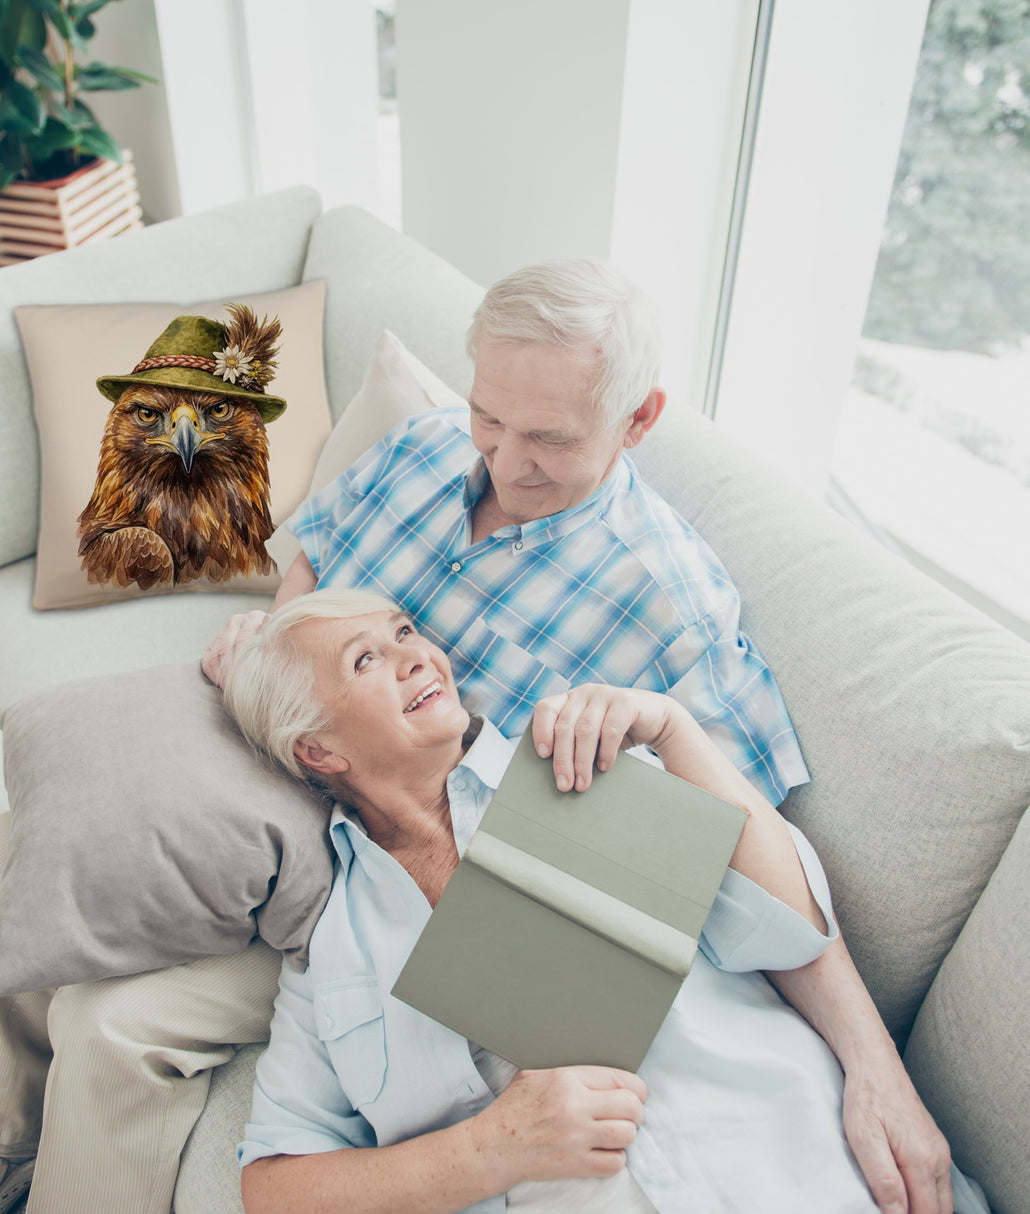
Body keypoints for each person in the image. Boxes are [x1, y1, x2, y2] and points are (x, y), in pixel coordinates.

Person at [204, 259, 952, 1213]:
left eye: (549, 438)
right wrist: (273, 660)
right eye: (489, 417)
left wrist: (876, 1068)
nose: (505, 461)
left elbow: (758, 883)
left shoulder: (650, 654)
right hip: (311, 839)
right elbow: (315, 562)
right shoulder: (421, 450)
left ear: (638, 420)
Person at [222, 588, 972, 1214]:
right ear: (318, 750)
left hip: (799, 1166)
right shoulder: (332, 950)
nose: (416, 656)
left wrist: (673, 728)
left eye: (406, 632)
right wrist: (490, 1149)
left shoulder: (579, 764)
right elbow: (273, 1188)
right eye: (364, 660)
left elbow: (790, 930)